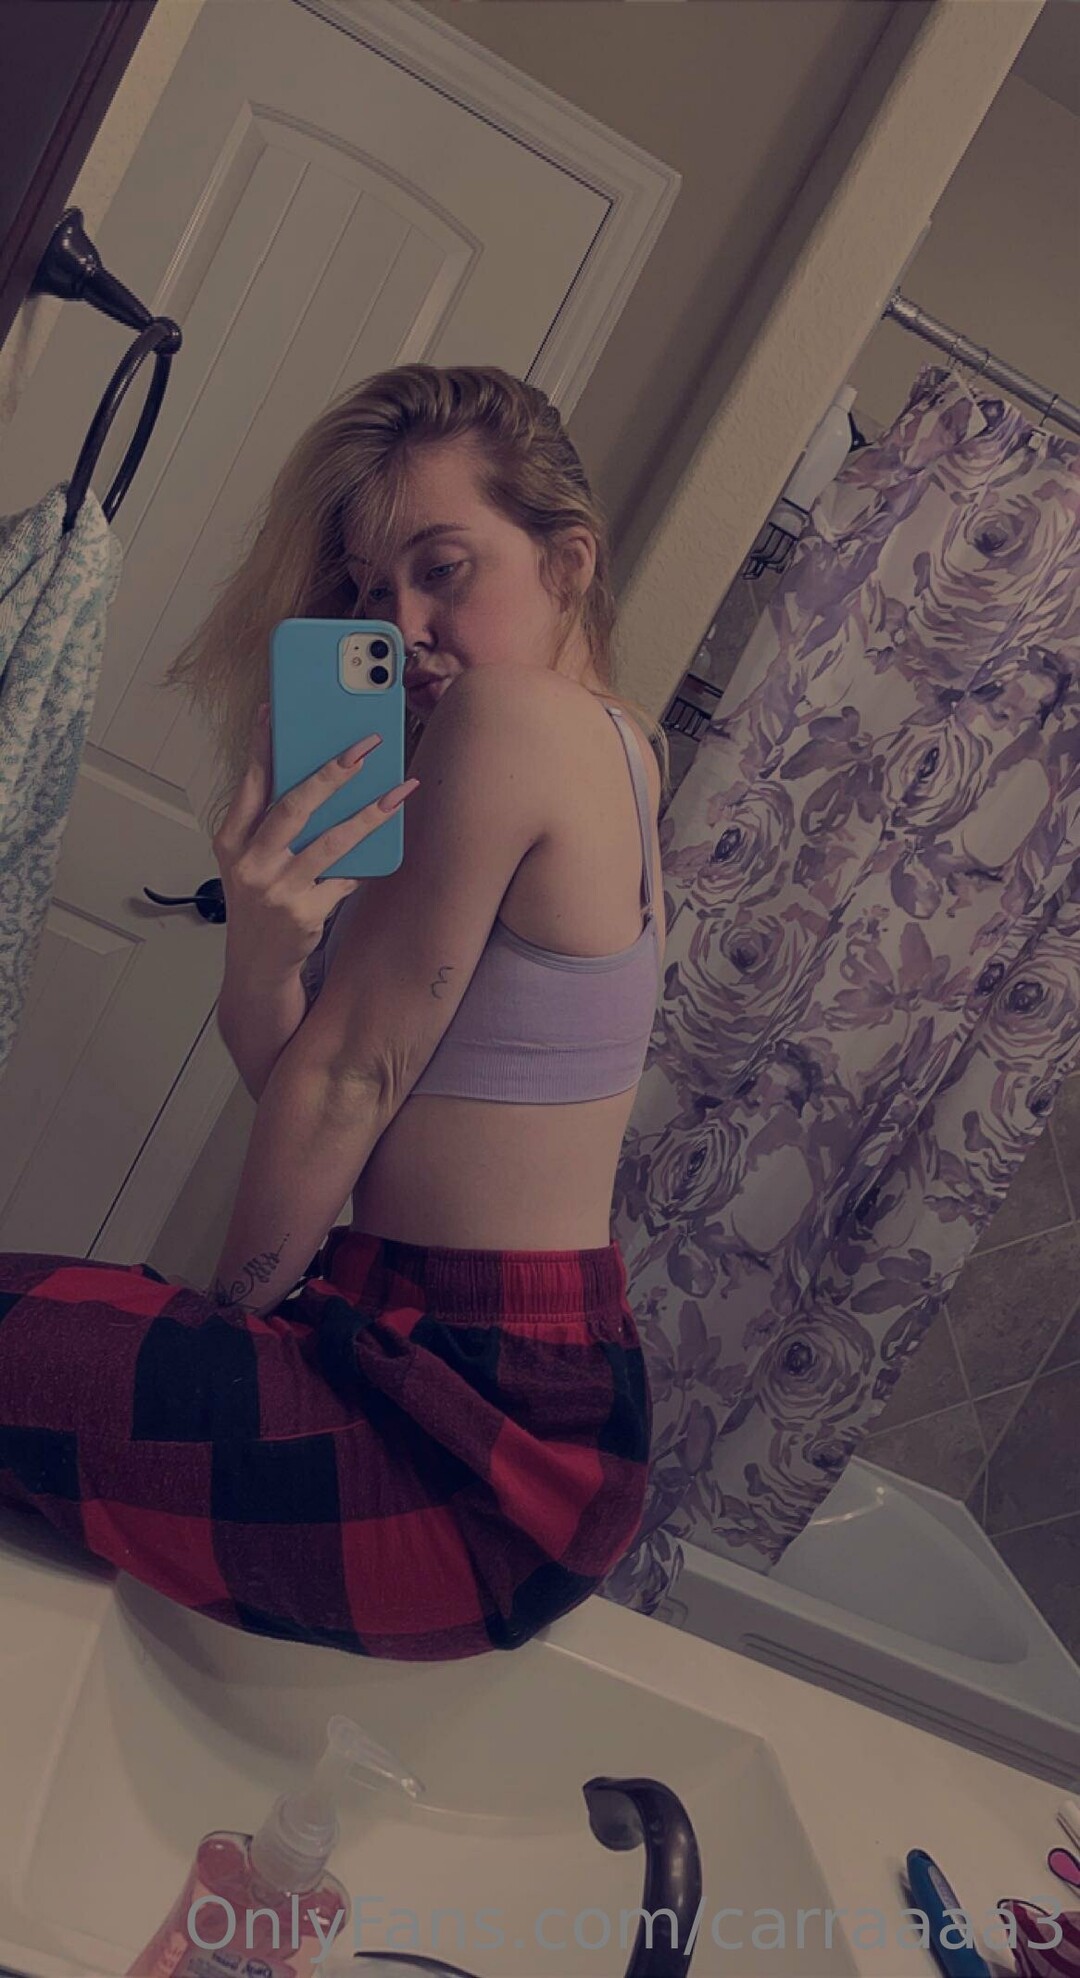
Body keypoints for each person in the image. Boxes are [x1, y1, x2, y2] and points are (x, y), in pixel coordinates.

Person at [0, 364, 668, 1660]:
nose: (401, 624)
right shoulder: (617, 750)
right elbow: (332, 1092)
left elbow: (352, 1081)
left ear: (568, 561)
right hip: (474, 1379)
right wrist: (265, 952)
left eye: (443, 569)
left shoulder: (517, 721)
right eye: (368, 588)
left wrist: (218, 1338)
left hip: (477, 1432)